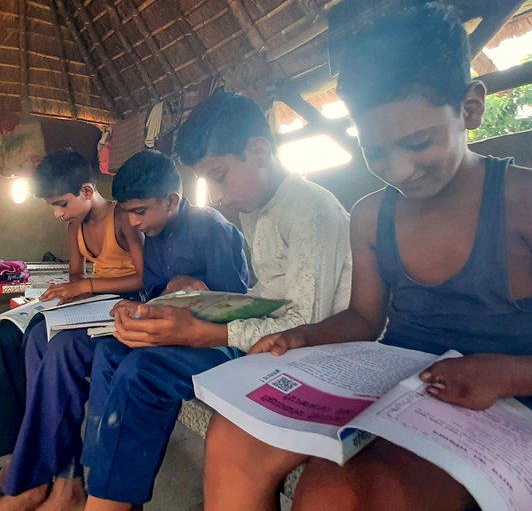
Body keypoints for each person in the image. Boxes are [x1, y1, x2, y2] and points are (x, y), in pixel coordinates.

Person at [202, 3, 532, 511]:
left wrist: (501, 374)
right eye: (376, 151)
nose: (401, 169)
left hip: (509, 397)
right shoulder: (371, 215)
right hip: (399, 390)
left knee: (338, 494)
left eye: (418, 141)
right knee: (233, 435)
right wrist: (303, 338)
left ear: (471, 107)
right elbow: (365, 318)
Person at [80, 91, 353, 511]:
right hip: (258, 336)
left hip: (301, 354)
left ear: (259, 152)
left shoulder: (310, 209)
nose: (219, 196)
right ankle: (102, 488)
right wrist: (184, 306)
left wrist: (204, 331)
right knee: (115, 350)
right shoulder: (257, 209)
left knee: (143, 370)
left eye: (221, 176)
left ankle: (106, 504)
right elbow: (262, 295)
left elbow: (305, 325)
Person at [0, 148, 249, 511]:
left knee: (134, 370)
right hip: (160, 325)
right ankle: (84, 482)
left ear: (172, 200)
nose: (135, 223)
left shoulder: (211, 227)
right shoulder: (155, 232)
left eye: (139, 212)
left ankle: (107, 496)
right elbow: (152, 289)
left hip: (207, 337)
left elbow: (234, 302)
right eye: (130, 213)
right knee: (95, 349)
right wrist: (144, 305)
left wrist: (192, 285)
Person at [0, 150, 144, 511]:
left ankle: (35, 479)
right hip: (94, 309)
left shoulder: (121, 218)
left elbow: (145, 277)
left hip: (125, 308)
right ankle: (27, 463)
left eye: (62, 204)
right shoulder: (74, 227)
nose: (58, 213)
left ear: (86, 190)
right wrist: (57, 297)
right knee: (24, 335)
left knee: (60, 347)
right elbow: (77, 279)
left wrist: (86, 289)